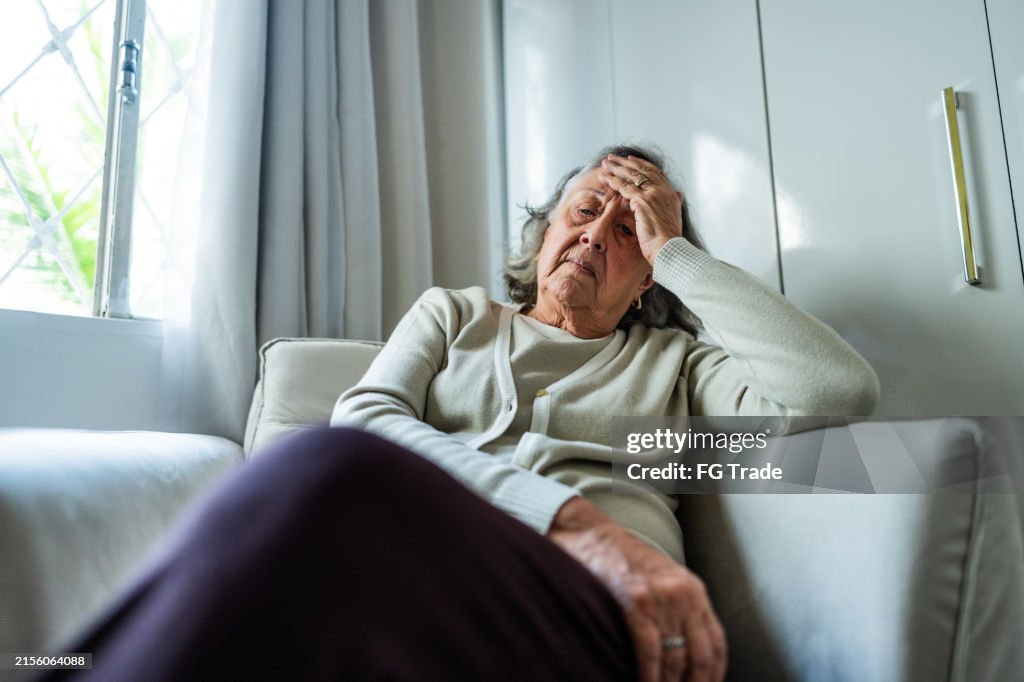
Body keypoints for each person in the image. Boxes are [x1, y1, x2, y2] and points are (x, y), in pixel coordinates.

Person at [41, 145, 878, 682]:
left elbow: (837, 395)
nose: (597, 234)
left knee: (313, 480)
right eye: (588, 208)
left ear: (651, 278)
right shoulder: (456, 315)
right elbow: (364, 418)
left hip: (588, 607)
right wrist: (575, 519)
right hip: (419, 577)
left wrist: (679, 251)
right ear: (548, 227)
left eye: (632, 231)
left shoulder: (675, 367)